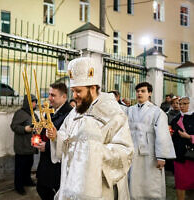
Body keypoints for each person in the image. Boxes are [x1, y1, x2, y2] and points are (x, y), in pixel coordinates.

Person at [47, 57, 134, 200]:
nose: (74, 96)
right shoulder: (75, 112)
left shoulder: (113, 112)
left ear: (93, 88)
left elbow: (125, 151)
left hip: (100, 188)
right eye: (73, 91)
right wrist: (56, 137)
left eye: (78, 91)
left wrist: (94, 152)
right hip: (72, 181)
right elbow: (66, 136)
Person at [127, 82, 176, 200]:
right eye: (138, 91)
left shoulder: (157, 112)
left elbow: (163, 134)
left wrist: (161, 157)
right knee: (134, 180)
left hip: (151, 152)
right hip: (133, 149)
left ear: (149, 93)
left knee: (151, 181)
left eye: (143, 91)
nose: (139, 93)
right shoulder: (129, 110)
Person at [35, 82, 72, 200]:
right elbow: (45, 129)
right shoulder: (49, 110)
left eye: (53, 95)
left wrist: (46, 146)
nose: (49, 98)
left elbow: (69, 140)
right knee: (41, 188)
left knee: (58, 192)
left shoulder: (70, 114)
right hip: (45, 161)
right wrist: (38, 132)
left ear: (64, 97)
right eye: (49, 94)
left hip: (58, 166)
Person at [10, 94, 38, 195]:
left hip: (30, 146)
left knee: (28, 166)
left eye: (35, 101)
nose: (35, 103)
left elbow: (38, 125)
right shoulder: (19, 113)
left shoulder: (34, 115)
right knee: (20, 168)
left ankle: (27, 181)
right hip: (21, 146)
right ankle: (19, 186)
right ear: (27, 103)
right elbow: (13, 126)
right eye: (33, 101)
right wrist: (24, 129)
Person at [170, 97, 194, 200]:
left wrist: (189, 137)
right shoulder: (176, 119)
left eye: (185, 104)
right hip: (180, 156)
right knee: (180, 183)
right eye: (180, 104)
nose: (182, 106)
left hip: (192, 156)